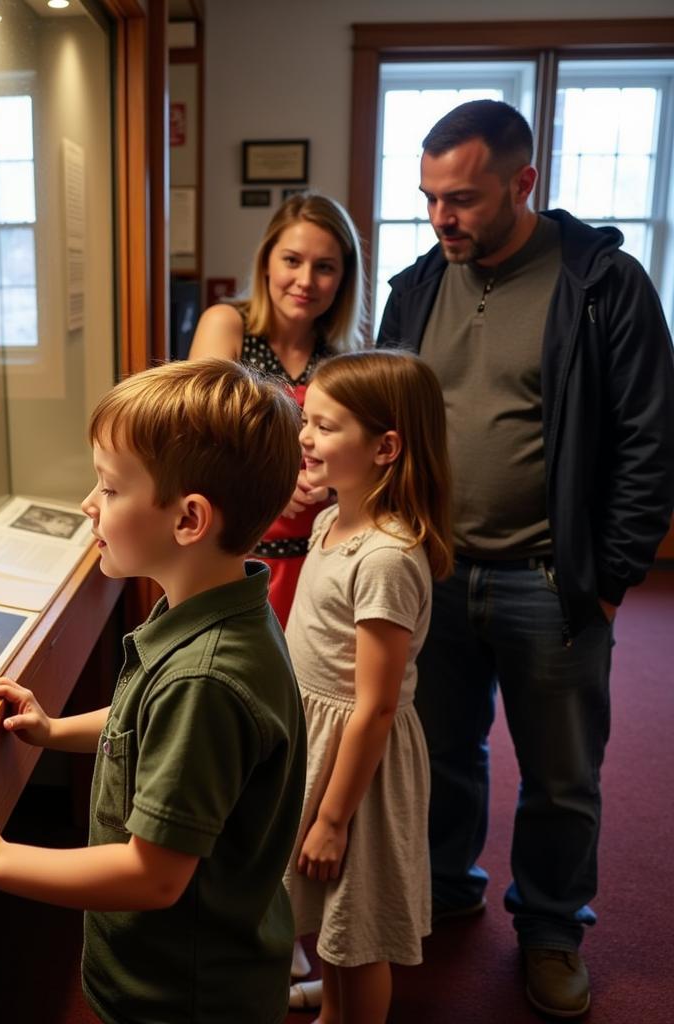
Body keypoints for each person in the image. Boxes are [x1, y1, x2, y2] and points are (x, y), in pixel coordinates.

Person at [377, 98, 674, 1018]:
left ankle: (550, 930)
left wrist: (613, 578)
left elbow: (648, 440)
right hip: (433, 571)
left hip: (553, 581)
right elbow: (388, 426)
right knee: (440, 753)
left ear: (523, 182)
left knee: (559, 775)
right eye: (429, 197)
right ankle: (441, 885)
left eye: (461, 198)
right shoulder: (417, 285)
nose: (441, 218)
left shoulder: (602, 283)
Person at [0, 358, 308, 1024]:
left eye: (111, 488)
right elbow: (144, 721)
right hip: (185, 970)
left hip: (183, 994)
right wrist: (55, 729)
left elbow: (154, 875)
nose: (89, 504)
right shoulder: (207, 605)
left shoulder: (205, 679)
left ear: (188, 520)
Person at [283, 351, 453, 1023]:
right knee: (332, 917)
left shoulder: (383, 556)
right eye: (306, 421)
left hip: (361, 770)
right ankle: (333, 1011)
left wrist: (332, 818)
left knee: (359, 933)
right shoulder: (331, 521)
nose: (305, 437)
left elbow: (377, 705)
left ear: (385, 447)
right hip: (322, 744)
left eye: (324, 427)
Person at [189, 193, 365, 627]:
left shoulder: (345, 353)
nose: (305, 280)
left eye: (325, 267)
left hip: (320, 559)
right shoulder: (227, 324)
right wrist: (273, 483)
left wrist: (332, 479)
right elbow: (195, 439)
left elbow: (364, 462)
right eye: (292, 260)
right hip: (235, 558)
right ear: (267, 261)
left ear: (343, 279)